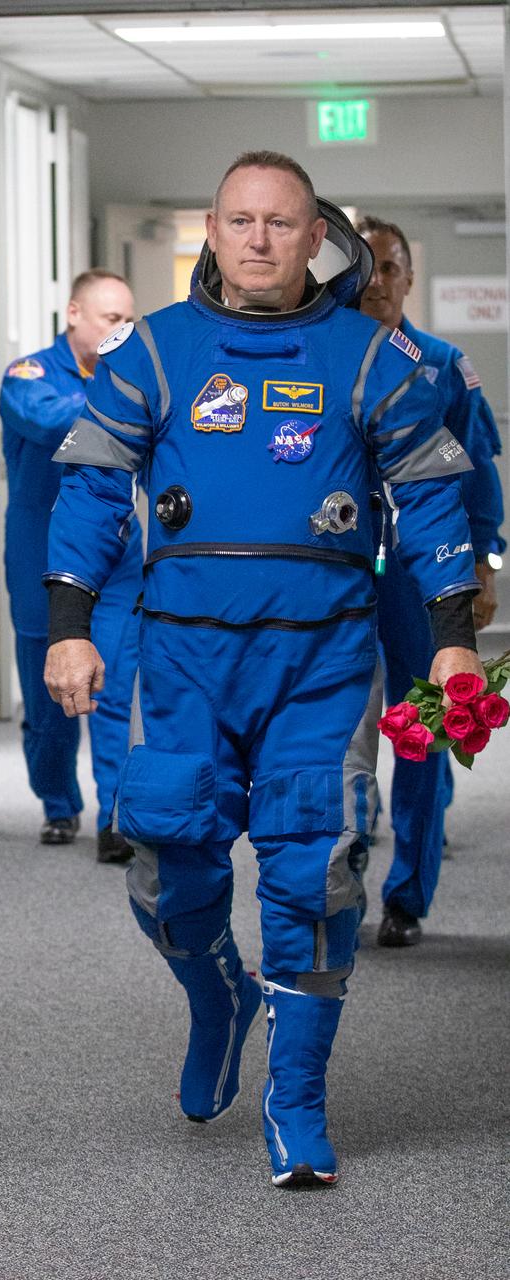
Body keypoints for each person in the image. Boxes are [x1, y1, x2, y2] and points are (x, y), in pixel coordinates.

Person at [43, 152, 484, 1188]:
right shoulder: (155, 352)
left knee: (314, 871)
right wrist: (70, 622)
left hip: (319, 662)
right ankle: (216, 996)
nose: (255, 240)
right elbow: (91, 491)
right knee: (162, 873)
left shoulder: (369, 356)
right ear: (209, 228)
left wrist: (454, 629)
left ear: (315, 236)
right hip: (182, 658)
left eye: (277, 223)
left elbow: (427, 503)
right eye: (237, 221)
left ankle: (295, 1099)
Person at [356, 214, 505, 948]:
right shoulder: (319, 357)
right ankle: (335, 871)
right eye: (366, 268)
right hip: (343, 576)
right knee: (337, 734)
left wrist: (486, 565)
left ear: (408, 278)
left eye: (390, 268)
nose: (377, 282)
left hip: (422, 577)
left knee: (421, 739)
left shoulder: (442, 366)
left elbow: (477, 479)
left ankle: (406, 897)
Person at [0, 271, 142, 860]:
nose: (122, 332)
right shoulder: (27, 376)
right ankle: (58, 803)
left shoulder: (132, 376)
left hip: (118, 559)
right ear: (75, 313)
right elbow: (52, 420)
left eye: (129, 321)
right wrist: (121, 401)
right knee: (49, 701)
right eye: (111, 319)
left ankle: (115, 815)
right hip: (43, 560)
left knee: (113, 689)